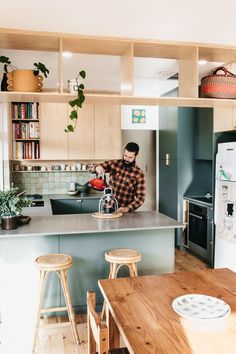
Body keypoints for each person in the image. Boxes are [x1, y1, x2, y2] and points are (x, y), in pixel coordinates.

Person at [90, 142, 146, 213]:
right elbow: (90, 168)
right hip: (108, 207)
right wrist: (96, 167)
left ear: (136, 155)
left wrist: (127, 208)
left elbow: (141, 197)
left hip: (125, 212)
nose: (126, 159)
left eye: (130, 157)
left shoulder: (139, 173)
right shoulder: (114, 164)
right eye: (125, 155)